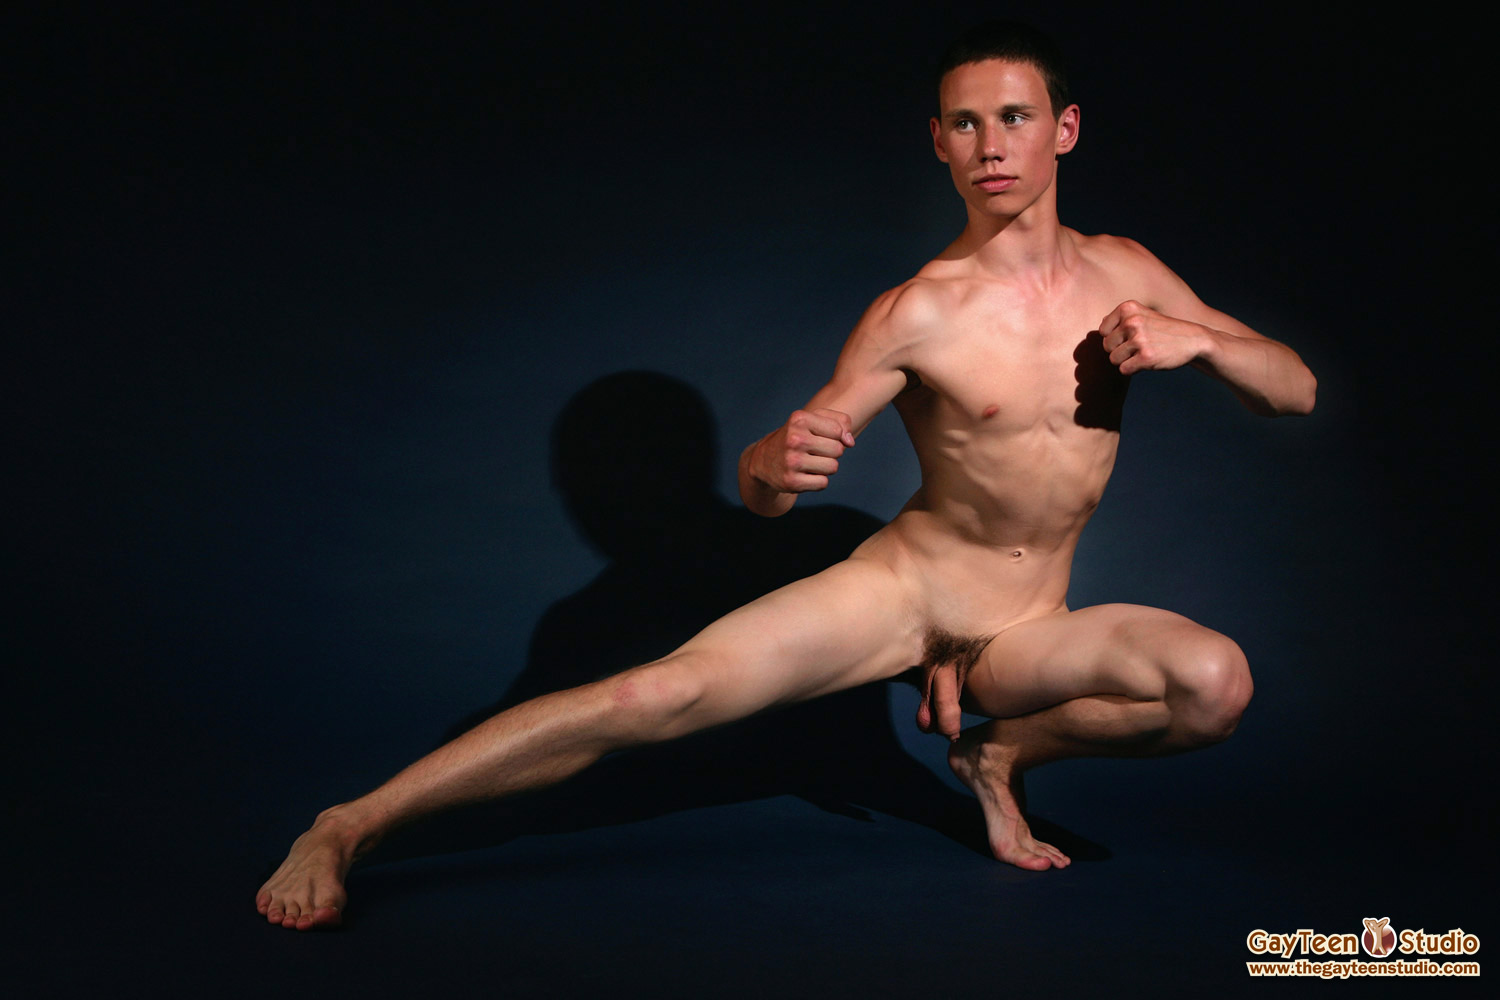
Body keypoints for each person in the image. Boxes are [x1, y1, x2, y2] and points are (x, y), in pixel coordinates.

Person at [257, 20, 1315, 931]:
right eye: (964, 123)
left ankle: (996, 759)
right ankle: (347, 824)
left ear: (1064, 129)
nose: (991, 146)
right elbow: (773, 492)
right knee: (654, 692)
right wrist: (769, 464)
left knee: (1211, 686)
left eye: (1014, 117)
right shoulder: (917, 312)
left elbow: (1296, 391)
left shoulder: (1128, 272)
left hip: (1027, 626)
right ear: (939, 142)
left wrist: (1203, 342)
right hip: (905, 592)